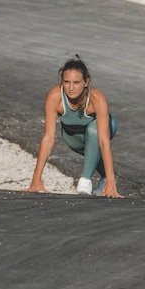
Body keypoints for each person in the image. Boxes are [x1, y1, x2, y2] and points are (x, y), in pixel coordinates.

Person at [24, 55, 124, 198]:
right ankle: (104, 181)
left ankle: (85, 181)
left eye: (76, 82)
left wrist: (113, 182)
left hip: (102, 129)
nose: (71, 88)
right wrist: (36, 179)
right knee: (92, 154)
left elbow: (103, 141)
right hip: (73, 136)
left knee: (93, 130)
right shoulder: (55, 96)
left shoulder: (97, 98)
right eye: (66, 82)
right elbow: (48, 138)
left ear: (85, 82)